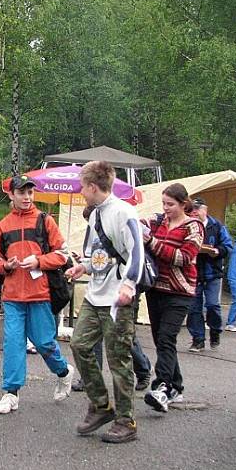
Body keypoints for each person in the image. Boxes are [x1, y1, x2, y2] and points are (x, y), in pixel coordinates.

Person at [65, 160, 144, 443]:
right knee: (79, 345)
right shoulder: (96, 215)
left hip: (117, 300)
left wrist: (129, 285)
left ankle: (127, 421)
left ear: (93, 186)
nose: (81, 192)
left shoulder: (124, 213)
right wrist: (83, 267)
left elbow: (137, 252)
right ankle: (100, 406)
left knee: (118, 359)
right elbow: (99, 254)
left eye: (82, 187)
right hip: (95, 295)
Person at [0, 175, 74, 414]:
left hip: (41, 294)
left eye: (30, 192)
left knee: (45, 342)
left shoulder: (45, 221)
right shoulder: (2, 226)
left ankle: (64, 372)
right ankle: (10, 393)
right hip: (13, 295)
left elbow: (63, 255)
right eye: (22, 192)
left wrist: (38, 261)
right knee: (13, 343)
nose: (27, 197)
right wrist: (6, 266)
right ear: (11, 195)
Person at [142, 183, 203, 413]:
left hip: (180, 292)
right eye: (164, 204)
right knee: (160, 339)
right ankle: (176, 385)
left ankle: (163, 387)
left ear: (183, 204)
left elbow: (184, 258)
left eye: (171, 204)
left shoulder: (194, 227)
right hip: (156, 288)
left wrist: (153, 243)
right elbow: (140, 224)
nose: (166, 208)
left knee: (167, 338)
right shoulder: (159, 222)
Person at [186, 197, 233, 352]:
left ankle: (215, 331)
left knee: (212, 305)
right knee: (194, 308)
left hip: (212, 273)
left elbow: (228, 246)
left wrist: (217, 251)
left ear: (204, 210)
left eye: (197, 209)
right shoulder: (188, 226)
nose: (194, 212)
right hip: (193, 273)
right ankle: (197, 339)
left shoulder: (217, 226)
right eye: (192, 209)